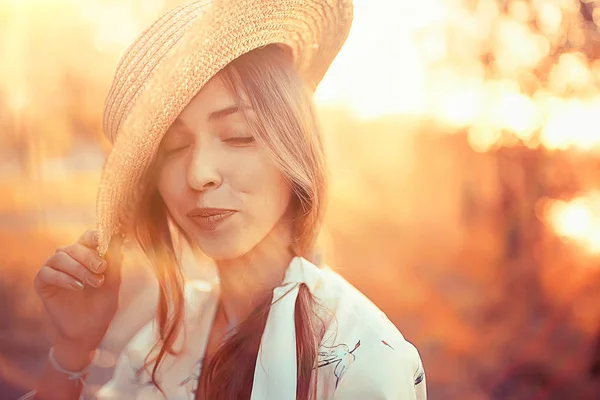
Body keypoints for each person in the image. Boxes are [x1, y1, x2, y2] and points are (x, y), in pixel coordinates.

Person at [22, 0, 427, 399]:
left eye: (238, 136)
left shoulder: (361, 360)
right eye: (174, 148)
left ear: (294, 147)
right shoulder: (162, 344)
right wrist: (73, 352)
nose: (199, 174)